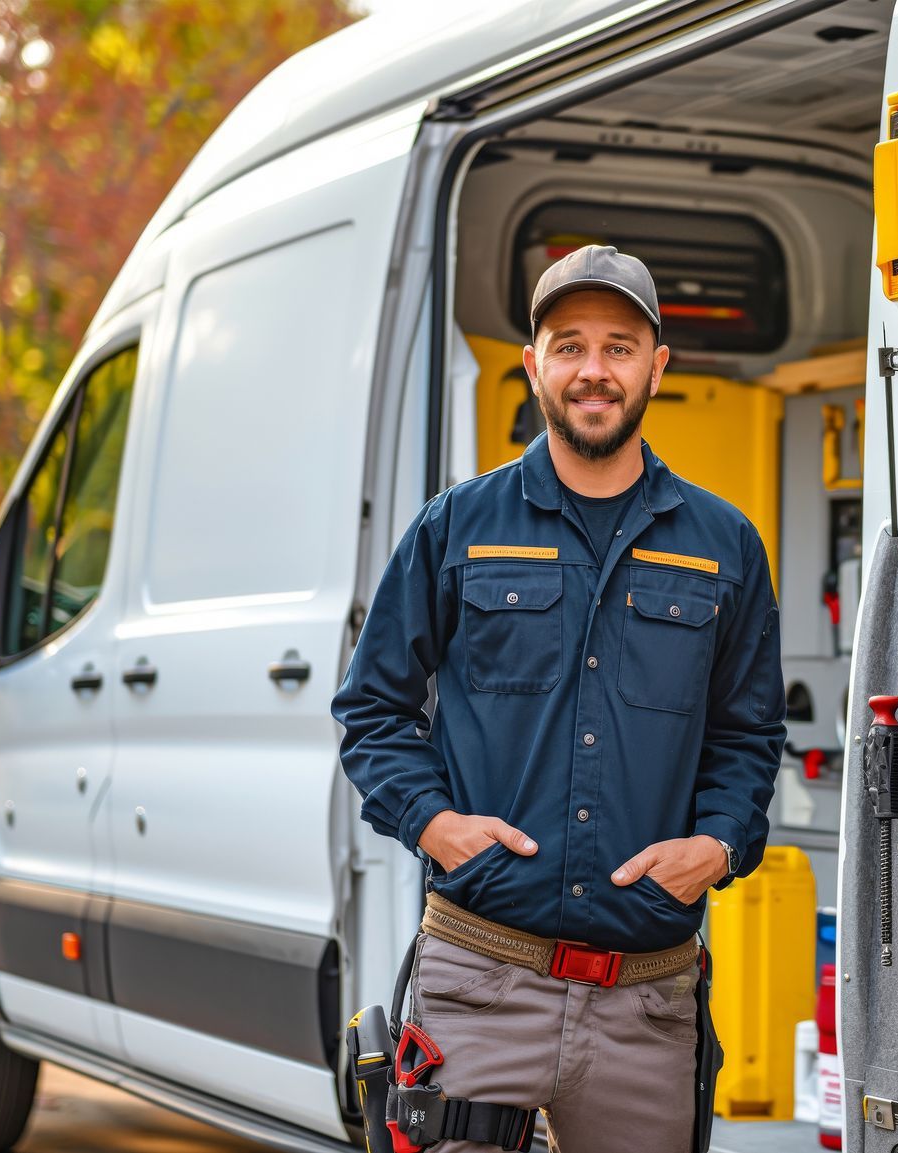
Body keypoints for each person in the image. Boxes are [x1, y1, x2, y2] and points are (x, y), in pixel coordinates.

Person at [332, 244, 786, 1152]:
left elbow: (748, 734)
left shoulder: (723, 545)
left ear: (657, 367)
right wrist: (434, 825)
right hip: (480, 983)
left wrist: (719, 843)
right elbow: (372, 710)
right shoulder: (456, 527)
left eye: (620, 347)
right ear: (533, 365)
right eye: (569, 344)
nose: (594, 371)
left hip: (647, 1004)